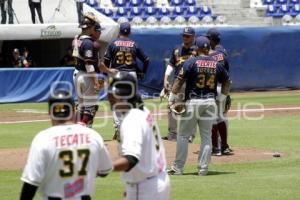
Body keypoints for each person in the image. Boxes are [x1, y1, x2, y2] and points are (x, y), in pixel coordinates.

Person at [20, 89, 113, 200]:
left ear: (50, 112)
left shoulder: (43, 139)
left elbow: (30, 184)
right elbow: (105, 171)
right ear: (73, 111)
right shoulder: (93, 136)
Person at [167, 36, 231, 176]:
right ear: (208, 48)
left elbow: (178, 82)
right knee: (206, 136)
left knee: (183, 135)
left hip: (193, 102)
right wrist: (221, 98)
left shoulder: (191, 62)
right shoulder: (216, 63)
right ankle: (203, 169)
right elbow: (227, 82)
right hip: (210, 102)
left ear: (197, 48)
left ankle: (178, 168)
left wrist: (171, 99)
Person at [108, 71, 170, 200]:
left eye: (111, 95)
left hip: (145, 187)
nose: (109, 99)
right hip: (157, 180)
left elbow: (131, 159)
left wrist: (101, 167)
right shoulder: (142, 110)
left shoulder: (132, 119)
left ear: (121, 96)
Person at [104, 22, 149, 139]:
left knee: (115, 103)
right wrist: (143, 72)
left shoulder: (113, 43)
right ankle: (131, 129)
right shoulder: (134, 44)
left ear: (119, 31)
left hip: (116, 74)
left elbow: (106, 61)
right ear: (129, 32)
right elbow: (146, 60)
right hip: (131, 75)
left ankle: (119, 129)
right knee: (131, 102)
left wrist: (106, 73)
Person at [72, 12, 117, 127]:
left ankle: (79, 129)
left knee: (82, 106)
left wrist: (108, 71)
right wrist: (96, 81)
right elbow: (89, 64)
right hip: (86, 75)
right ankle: (82, 130)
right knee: (91, 107)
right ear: (91, 28)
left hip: (77, 73)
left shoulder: (76, 38)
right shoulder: (88, 43)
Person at [161, 27, 197, 142]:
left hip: (192, 83)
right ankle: (172, 134)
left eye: (188, 36)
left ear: (193, 37)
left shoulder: (197, 49)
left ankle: (190, 135)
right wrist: (166, 78)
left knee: (191, 108)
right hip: (178, 83)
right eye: (184, 35)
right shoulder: (177, 49)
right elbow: (171, 64)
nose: (185, 37)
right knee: (171, 107)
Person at [206, 28, 233, 156]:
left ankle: (215, 147)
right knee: (222, 116)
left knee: (212, 118)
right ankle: (225, 146)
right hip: (223, 86)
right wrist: (227, 92)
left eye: (208, 38)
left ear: (211, 39)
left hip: (212, 87)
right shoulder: (223, 52)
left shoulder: (210, 54)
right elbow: (227, 72)